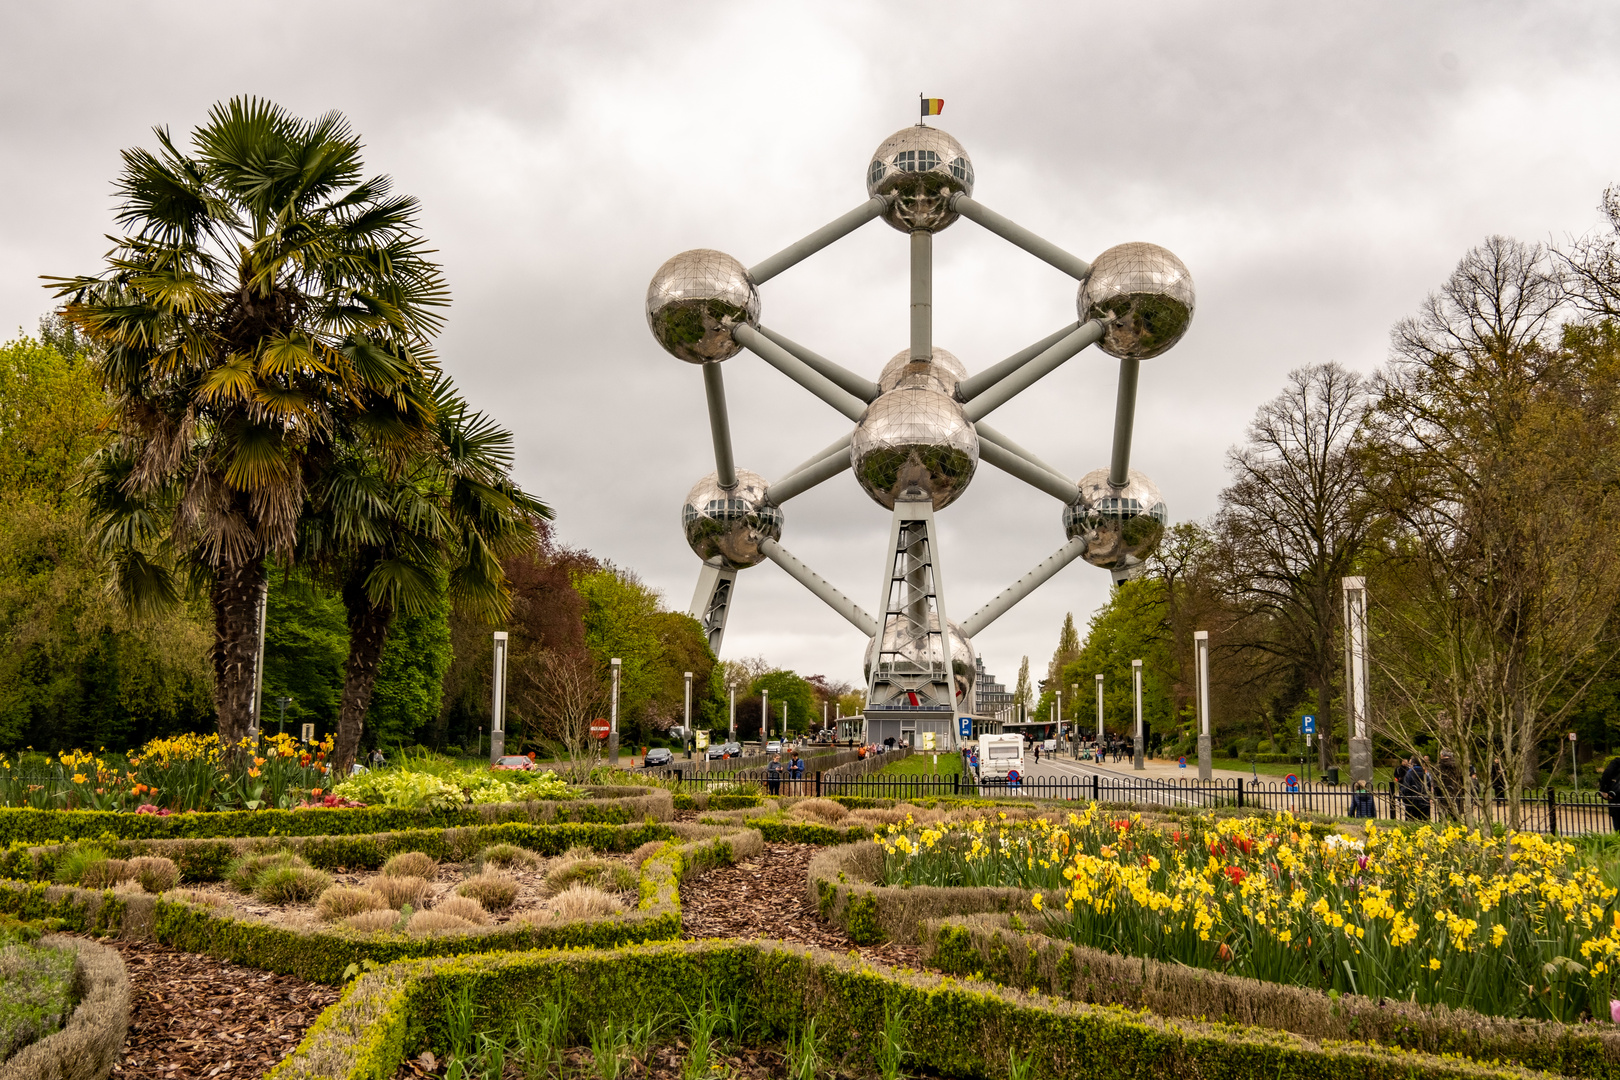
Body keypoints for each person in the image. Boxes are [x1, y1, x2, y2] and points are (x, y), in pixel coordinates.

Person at [1600, 755, 1620, 833]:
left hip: (1617, 797)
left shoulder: (1617, 762)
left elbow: (1607, 773)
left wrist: (1603, 790)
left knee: (1618, 829)